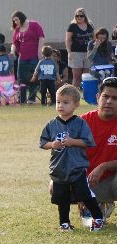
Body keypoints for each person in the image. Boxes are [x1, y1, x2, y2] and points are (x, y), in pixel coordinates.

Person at [39, 85, 105, 232]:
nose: (60, 105)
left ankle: (98, 218)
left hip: (77, 168)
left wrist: (72, 142)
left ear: (76, 104)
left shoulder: (80, 123)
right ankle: (64, 223)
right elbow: (43, 143)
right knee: (62, 198)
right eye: (58, 102)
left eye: (65, 102)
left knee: (84, 194)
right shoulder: (52, 124)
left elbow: (88, 142)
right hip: (58, 169)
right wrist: (52, 144)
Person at [82, 77, 117, 223]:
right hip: (87, 181)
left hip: (112, 181)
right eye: (105, 96)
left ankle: (99, 202)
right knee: (55, 187)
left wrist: (104, 166)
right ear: (97, 97)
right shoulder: (82, 122)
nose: (109, 101)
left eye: (115, 98)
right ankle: (95, 203)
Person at [11, 11, 46, 104]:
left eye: (16, 20)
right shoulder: (17, 29)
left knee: (33, 77)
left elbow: (41, 37)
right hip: (22, 57)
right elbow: (14, 43)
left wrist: (40, 52)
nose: (15, 22)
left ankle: (31, 98)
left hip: (34, 57)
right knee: (21, 78)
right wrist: (12, 52)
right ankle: (22, 99)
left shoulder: (34, 25)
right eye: (14, 21)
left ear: (21, 18)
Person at [66, 8, 94, 88]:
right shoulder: (72, 26)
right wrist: (69, 52)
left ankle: (86, 93)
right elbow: (68, 40)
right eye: (77, 16)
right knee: (76, 76)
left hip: (88, 53)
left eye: (81, 16)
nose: (79, 17)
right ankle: (73, 93)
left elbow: (93, 38)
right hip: (76, 53)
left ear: (85, 16)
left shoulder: (90, 26)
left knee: (86, 76)